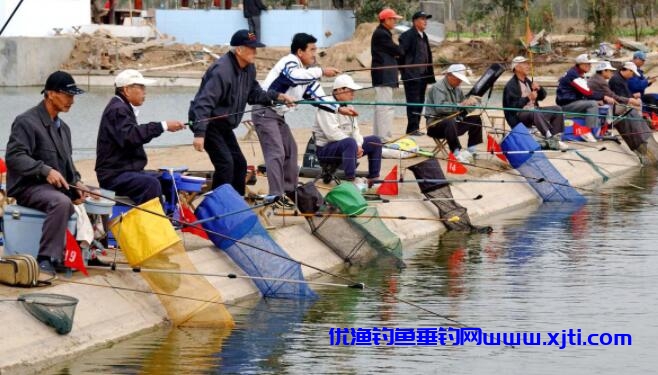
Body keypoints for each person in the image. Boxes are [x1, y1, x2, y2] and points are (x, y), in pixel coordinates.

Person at [189, 30, 294, 197]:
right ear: (239, 50)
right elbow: (203, 103)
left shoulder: (248, 68)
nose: (255, 52)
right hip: (208, 122)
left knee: (240, 164)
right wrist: (199, 133)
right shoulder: (221, 71)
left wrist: (278, 96)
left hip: (224, 125)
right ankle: (219, 207)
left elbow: (255, 95)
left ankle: (236, 204)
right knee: (225, 164)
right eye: (251, 48)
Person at [251, 32, 348, 207]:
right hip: (264, 112)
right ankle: (275, 195)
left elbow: (319, 98)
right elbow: (294, 76)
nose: (314, 54)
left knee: (291, 150)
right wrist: (321, 71)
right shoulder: (290, 62)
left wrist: (340, 108)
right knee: (277, 152)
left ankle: (289, 191)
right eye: (312, 50)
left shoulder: (307, 74)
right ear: (300, 52)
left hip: (277, 116)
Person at [5, 71, 86, 275]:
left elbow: (68, 167)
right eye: (68, 95)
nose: (72, 101)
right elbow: (14, 157)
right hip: (28, 187)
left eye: (73, 96)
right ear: (50, 94)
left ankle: (85, 253)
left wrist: (79, 183)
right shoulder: (26, 121)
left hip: (55, 188)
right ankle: (47, 258)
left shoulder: (64, 128)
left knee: (98, 195)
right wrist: (44, 169)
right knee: (60, 202)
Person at [96, 69, 186, 205]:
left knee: (169, 179)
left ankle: (170, 217)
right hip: (114, 175)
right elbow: (131, 136)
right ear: (126, 90)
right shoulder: (117, 109)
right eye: (141, 87)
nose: (145, 92)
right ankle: (154, 223)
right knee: (150, 184)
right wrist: (163, 126)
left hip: (128, 171)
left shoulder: (122, 107)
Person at [313, 74, 382, 187]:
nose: (353, 94)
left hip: (347, 146)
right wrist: (354, 145)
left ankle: (374, 179)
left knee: (375, 141)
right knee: (349, 142)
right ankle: (351, 180)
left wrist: (359, 145)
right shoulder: (326, 105)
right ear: (339, 90)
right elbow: (332, 134)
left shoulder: (349, 106)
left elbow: (355, 130)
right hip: (326, 150)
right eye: (350, 90)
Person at [503, 56, 567, 151]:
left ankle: (556, 137)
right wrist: (528, 98)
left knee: (557, 109)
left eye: (528, 64)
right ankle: (550, 138)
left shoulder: (528, 81)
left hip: (535, 113)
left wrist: (539, 89)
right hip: (519, 115)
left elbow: (542, 97)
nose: (528, 66)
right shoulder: (511, 85)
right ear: (516, 68)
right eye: (525, 64)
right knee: (534, 111)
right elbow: (512, 107)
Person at [424, 64, 483, 164]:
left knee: (476, 119)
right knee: (449, 121)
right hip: (435, 126)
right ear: (449, 75)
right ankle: (456, 152)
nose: (460, 82)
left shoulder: (458, 89)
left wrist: (472, 103)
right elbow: (441, 108)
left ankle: (471, 150)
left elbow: (464, 109)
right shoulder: (438, 87)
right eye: (458, 79)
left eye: (461, 80)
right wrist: (461, 104)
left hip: (453, 124)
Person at [594, 61, 652, 153]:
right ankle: (638, 129)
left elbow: (624, 95)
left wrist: (633, 96)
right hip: (613, 106)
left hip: (616, 104)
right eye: (632, 72)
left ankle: (640, 127)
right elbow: (618, 98)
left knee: (638, 102)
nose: (632, 75)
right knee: (635, 106)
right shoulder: (616, 80)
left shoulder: (622, 79)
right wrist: (631, 100)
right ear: (628, 70)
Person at [556, 53, 615, 142]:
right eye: (588, 64)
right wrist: (604, 97)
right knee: (592, 104)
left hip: (572, 102)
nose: (590, 66)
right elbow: (588, 92)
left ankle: (599, 131)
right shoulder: (574, 75)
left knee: (596, 104)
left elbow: (584, 93)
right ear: (581, 64)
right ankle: (587, 132)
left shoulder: (577, 73)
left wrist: (599, 99)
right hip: (566, 104)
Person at [398, 10, 436, 136]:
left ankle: (416, 128)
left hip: (423, 76)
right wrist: (406, 72)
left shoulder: (424, 36)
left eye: (426, 19)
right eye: (422, 19)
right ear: (415, 21)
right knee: (413, 102)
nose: (425, 21)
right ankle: (411, 129)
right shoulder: (407, 36)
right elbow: (400, 55)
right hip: (412, 76)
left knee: (420, 102)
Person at [371, 8, 404, 141]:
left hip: (384, 75)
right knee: (385, 108)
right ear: (386, 20)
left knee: (381, 107)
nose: (395, 21)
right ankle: (383, 138)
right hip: (383, 76)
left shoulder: (383, 33)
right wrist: (400, 46)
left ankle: (378, 137)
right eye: (393, 19)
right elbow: (397, 50)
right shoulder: (382, 34)